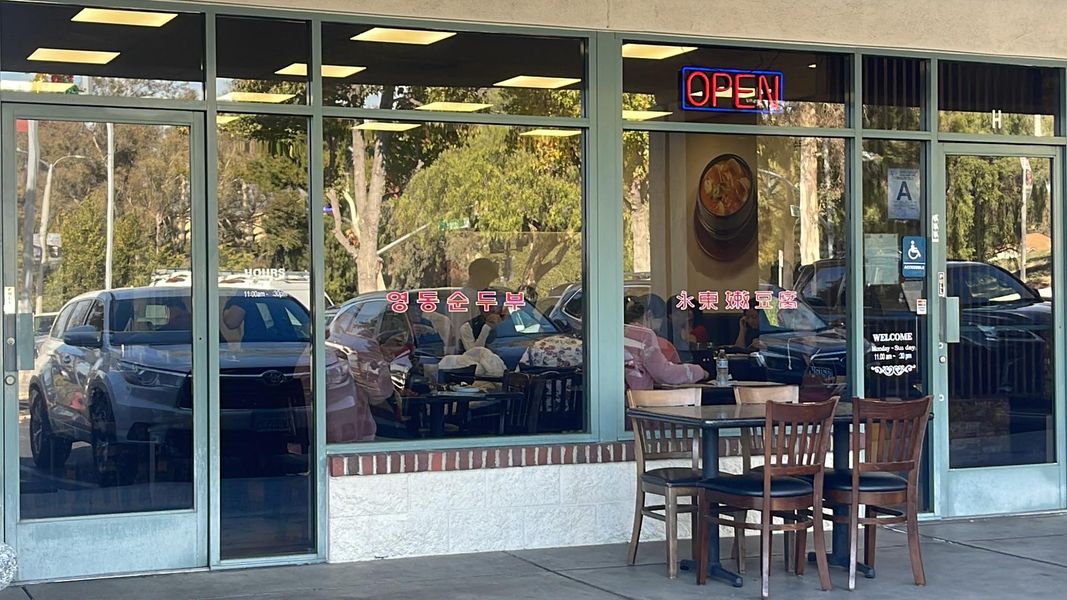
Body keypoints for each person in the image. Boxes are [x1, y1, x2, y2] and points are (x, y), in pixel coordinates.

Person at [625, 294, 681, 363]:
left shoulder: (622, 335)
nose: (660, 326)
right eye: (660, 320)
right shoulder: (662, 344)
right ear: (649, 315)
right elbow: (666, 368)